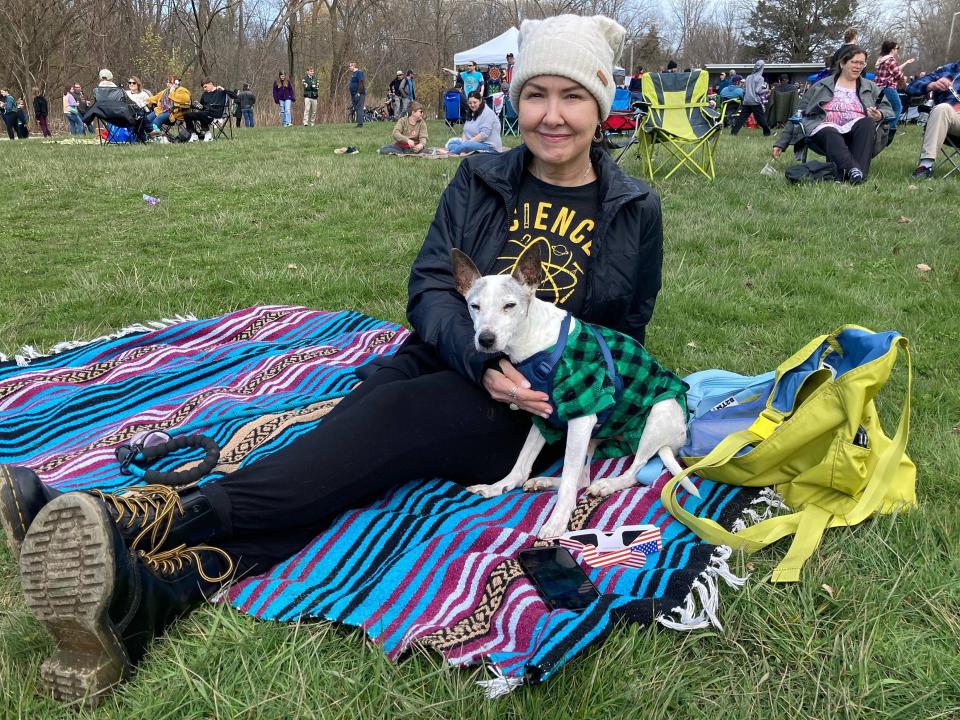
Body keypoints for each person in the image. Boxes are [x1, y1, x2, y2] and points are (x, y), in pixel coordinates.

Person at [1, 12, 666, 709]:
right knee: (344, 450)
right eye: (537, 94)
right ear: (515, 98)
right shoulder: (481, 178)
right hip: (450, 356)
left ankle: (141, 520)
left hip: (528, 407)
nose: (552, 116)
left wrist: (552, 395)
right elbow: (432, 286)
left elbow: (624, 340)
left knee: (387, 423)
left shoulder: (632, 207)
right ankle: (163, 593)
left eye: (573, 97)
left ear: (602, 103)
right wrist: (475, 363)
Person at [775, 46, 890, 184]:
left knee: (867, 123)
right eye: (854, 62)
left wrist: (880, 114)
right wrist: (781, 143)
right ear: (842, 63)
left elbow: (888, 109)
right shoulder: (820, 86)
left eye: (861, 63)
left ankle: (851, 174)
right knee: (830, 130)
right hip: (824, 131)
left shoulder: (870, 87)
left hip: (856, 130)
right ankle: (856, 172)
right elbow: (798, 113)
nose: (858, 66)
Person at [906, 60, 960, 179]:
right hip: (951, 118)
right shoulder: (948, 70)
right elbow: (911, 88)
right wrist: (932, 85)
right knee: (942, 108)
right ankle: (925, 167)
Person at [873, 40, 915, 146]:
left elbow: (893, 70)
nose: (897, 51)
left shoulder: (882, 60)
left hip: (879, 88)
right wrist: (905, 85)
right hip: (888, 88)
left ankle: (880, 127)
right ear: (892, 49)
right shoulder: (891, 60)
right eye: (897, 48)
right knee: (897, 108)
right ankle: (889, 130)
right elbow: (898, 75)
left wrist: (906, 63)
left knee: (883, 109)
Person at [729, 59, 771, 136]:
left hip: (746, 100)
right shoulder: (760, 78)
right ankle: (767, 133)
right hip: (755, 101)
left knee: (742, 118)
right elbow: (758, 91)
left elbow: (744, 90)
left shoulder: (748, 77)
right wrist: (766, 90)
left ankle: (733, 133)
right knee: (761, 118)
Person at [346, 61, 365, 127]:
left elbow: (361, 82)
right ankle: (358, 122)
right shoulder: (353, 74)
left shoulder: (359, 72)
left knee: (359, 108)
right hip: (353, 94)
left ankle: (360, 124)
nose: (349, 67)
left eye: (350, 66)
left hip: (359, 94)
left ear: (353, 66)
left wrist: (359, 93)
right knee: (356, 108)